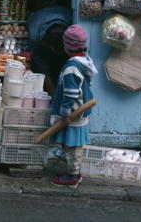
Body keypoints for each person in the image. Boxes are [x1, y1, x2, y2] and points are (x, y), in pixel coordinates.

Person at [49, 24, 97, 188]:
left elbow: (70, 93)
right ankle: (74, 172)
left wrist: (64, 112)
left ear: (66, 46)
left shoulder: (71, 67)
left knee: (71, 146)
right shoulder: (84, 62)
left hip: (73, 114)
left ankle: (72, 176)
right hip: (79, 112)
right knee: (74, 144)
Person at [26, 5, 72, 96]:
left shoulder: (73, 22)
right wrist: (51, 88)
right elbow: (38, 60)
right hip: (40, 16)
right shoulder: (34, 31)